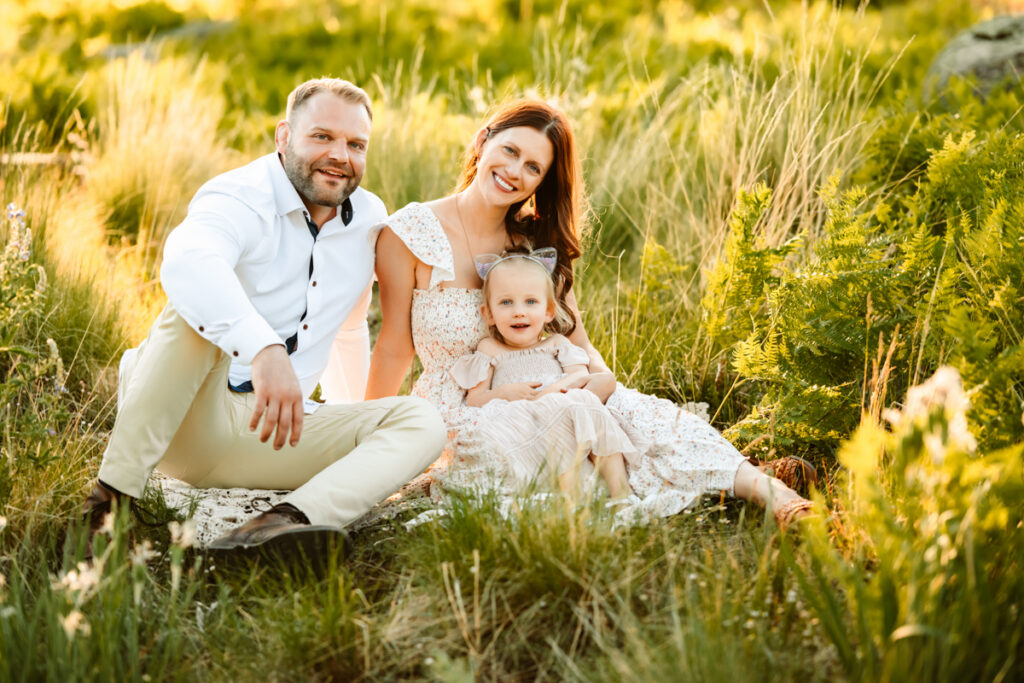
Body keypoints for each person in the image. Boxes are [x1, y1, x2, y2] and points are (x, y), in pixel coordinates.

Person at [362, 99, 814, 527]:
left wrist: (601, 382)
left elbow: (576, 341)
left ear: (542, 182)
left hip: (554, 385)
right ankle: (716, 484)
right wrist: (365, 440)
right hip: (467, 408)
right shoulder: (411, 233)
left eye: (533, 167)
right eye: (510, 151)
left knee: (646, 419)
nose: (514, 172)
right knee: (530, 464)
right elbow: (392, 351)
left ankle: (777, 495)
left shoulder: (534, 246)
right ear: (483, 141)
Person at [80, 78, 446, 553]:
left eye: (356, 144)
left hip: (275, 432)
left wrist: (353, 417)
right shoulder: (237, 195)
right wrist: (263, 347)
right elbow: (189, 262)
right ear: (283, 137)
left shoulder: (370, 217)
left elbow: (350, 328)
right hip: (188, 421)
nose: (340, 155)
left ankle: (274, 530)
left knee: (421, 421)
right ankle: (105, 510)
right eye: (322, 137)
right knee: (198, 314)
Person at [449, 246, 636, 499]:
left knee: (594, 391)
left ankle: (620, 492)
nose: (519, 311)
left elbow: (579, 377)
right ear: (489, 314)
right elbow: (475, 399)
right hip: (521, 416)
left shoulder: (556, 343)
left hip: (561, 403)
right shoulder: (490, 348)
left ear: (548, 311)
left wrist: (548, 393)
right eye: (506, 302)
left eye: (531, 301)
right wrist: (503, 392)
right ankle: (570, 494)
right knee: (576, 404)